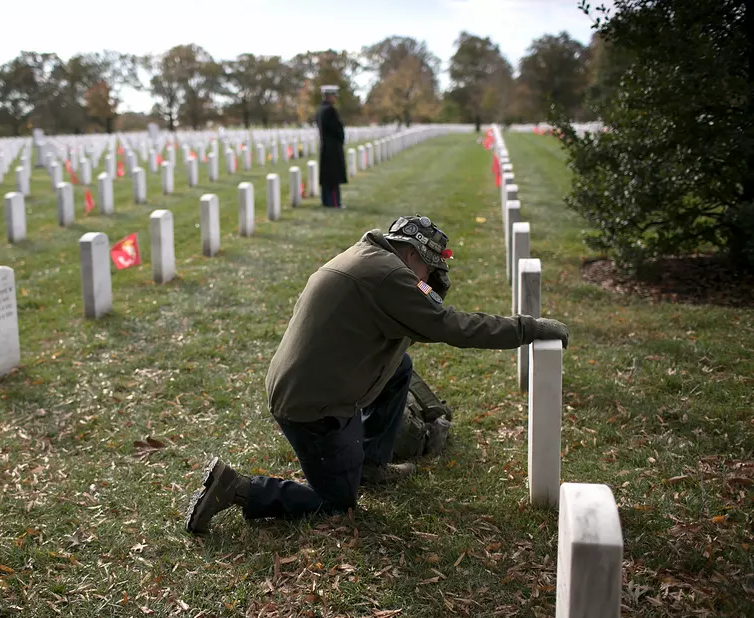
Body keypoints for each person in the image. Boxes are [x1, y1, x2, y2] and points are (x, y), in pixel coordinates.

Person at [185, 215, 570, 534]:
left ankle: (370, 462)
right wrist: (527, 329)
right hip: (315, 408)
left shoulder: (367, 255)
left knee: (400, 368)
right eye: (428, 271)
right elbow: (453, 327)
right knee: (336, 504)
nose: (427, 282)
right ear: (410, 254)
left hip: (306, 383)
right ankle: (237, 488)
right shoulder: (391, 277)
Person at [316, 85, 347, 208]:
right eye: (334, 96)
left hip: (325, 147)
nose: (335, 98)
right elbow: (336, 129)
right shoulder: (330, 110)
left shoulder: (320, 109)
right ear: (329, 96)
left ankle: (326, 201)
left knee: (326, 178)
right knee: (333, 178)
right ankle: (334, 202)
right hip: (333, 147)